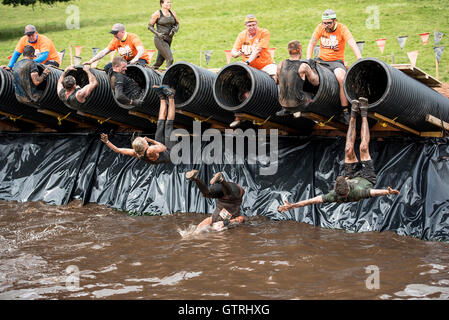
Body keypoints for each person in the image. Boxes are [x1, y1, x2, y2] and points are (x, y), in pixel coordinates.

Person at [278, 97, 400, 213]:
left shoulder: (333, 195)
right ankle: (364, 112)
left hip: (351, 176)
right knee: (363, 148)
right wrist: (388, 192)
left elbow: (312, 201)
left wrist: (293, 205)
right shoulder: (357, 192)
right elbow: (375, 192)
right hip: (367, 177)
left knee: (348, 149)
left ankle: (353, 114)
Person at [305, 9, 362, 119]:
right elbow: (311, 44)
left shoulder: (342, 28)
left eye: (329, 23)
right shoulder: (320, 27)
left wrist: (359, 58)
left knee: (342, 78)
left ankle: (345, 110)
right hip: (321, 60)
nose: (326, 25)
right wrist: (308, 58)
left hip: (336, 62)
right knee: (307, 72)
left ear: (335, 20)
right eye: (324, 23)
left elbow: (352, 44)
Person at [100, 84, 176, 164]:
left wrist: (106, 141)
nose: (145, 139)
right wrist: (151, 140)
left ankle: (162, 97)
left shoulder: (137, 153)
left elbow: (117, 150)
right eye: (144, 141)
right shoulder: (150, 150)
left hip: (159, 150)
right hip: (168, 152)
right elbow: (163, 147)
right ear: (145, 146)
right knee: (168, 124)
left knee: (160, 124)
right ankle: (170, 96)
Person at [83, 23, 150, 74]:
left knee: (133, 69)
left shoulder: (133, 37)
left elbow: (141, 50)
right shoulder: (115, 40)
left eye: (116, 33)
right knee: (108, 67)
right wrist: (91, 61)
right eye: (113, 33)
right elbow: (104, 52)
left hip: (141, 59)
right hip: (127, 61)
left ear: (122, 32)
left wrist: (135, 59)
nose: (114, 35)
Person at [275, 40, 319, 117]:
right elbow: (315, 82)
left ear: (289, 51)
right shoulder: (303, 66)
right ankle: (299, 111)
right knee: (313, 96)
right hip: (299, 104)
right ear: (300, 51)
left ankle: (287, 109)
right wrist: (313, 67)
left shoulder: (280, 64)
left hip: (283, 104)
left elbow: (276, 81)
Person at [231, 14, 277, 80]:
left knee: (276, 75)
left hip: (265, 65)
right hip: (249, 67)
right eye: (249, 25)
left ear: (257, 24)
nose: (252, 27)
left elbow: (257, 50)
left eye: (253, 25)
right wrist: (238, 53)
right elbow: (233, 52)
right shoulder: (242, 35)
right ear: (245, 26)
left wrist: (247, 62)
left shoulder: (264, 32)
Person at [148, 0, 180, 70]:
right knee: (170, 59)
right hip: (160, 39)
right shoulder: (157, 14)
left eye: (170, 2)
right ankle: (167, 76)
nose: (170, 4)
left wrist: (175, 30)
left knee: (159, 62)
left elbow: (177, 24)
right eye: (167, 2)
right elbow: (149, 26)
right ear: (162, 3)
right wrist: (157, 33)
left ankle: (150, 72)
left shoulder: (173, 13)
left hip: (169, 39)